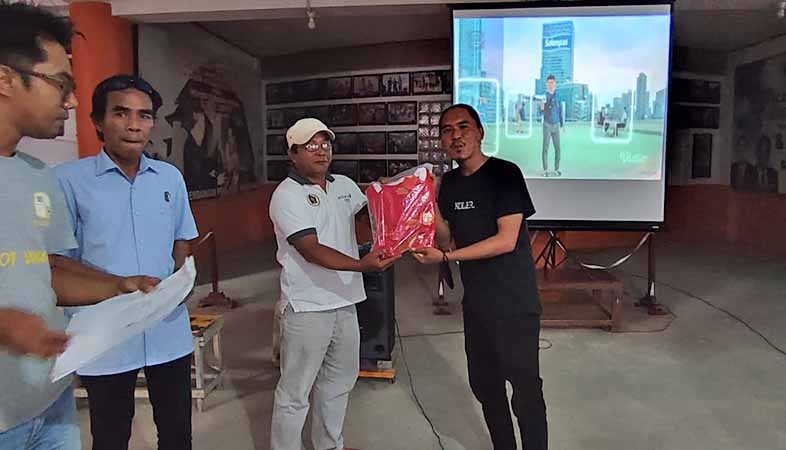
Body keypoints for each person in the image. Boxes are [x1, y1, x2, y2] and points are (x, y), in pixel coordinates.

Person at [0, 3, 158, 448]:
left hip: (49, 401)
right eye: (60, 84)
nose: (71, 101)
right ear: (5, 80)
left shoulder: (36, 175)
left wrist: (118, 286)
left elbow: (46, 270)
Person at [54, 75, 199, 450]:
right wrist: (114, 286)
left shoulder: (169, 178)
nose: (134, 125)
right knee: (111, 435)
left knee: (178, 433)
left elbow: (182, 237)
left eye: (144, 115)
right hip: (107, 333)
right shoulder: (68, 181)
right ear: (98, 121)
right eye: (121, 113)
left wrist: (181, 280)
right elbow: (58, 262)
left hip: (168, 330)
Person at [413, 104, 547, 450]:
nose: (456, 136)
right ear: (441, 140)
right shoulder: (450, 184)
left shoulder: (505, 174)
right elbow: (447, 238)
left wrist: (446, 258)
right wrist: (430, 205)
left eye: (464, 127)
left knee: (525, 391)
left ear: (480, 132)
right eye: (447, 130)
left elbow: (506, 241)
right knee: (487, 387)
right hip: (476, 303)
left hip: (514, 303)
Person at [269, 117, 398, 450]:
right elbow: (311, 249)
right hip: (307, 307)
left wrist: (390, 192)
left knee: (339, 383)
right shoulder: (287, 195)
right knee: (295, 392)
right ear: (293, 153)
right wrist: (361, 265)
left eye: (325, 143)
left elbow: (370, 213)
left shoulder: (343, 185)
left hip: (346, 302)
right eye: (310, 145)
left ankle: (328, 445)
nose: (321, 150)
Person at [540, 74, 562, 176]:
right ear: (547, 84)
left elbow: (560, 110)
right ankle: (545, 170)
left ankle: (556, 169)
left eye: (552, 83)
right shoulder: (544, 96)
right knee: (545, 148)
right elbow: (541, 112)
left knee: (558, 148)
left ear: (555, 84)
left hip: (556, 125)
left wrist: (562, 124)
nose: (551, 85)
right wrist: (542, 107)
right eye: (549, 83)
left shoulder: (558, 96)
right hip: (547, 125)